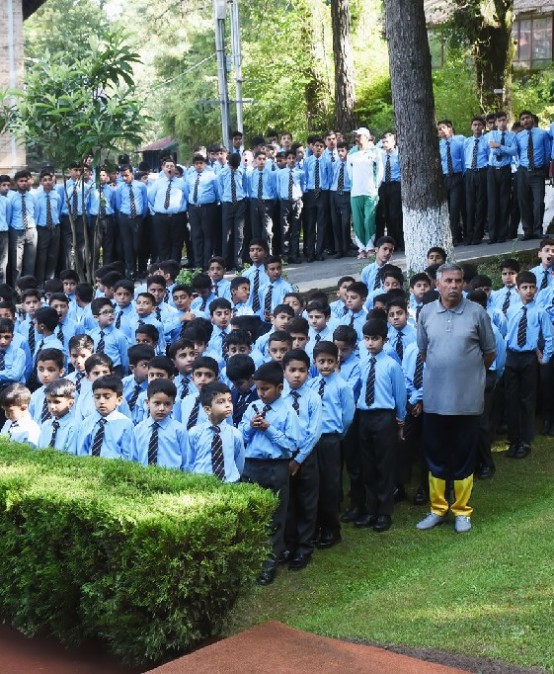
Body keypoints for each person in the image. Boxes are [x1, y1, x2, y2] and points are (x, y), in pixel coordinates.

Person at [416, 263, 496, 533]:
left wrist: (468, 375)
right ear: (437, 284)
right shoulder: (426, 312)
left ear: (464, 283)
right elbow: (424, 352)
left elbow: (489, 353)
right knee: (435, 457)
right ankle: (437, 509)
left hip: (467, 402)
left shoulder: (477, 313)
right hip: (435, 402)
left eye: (458, 281)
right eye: (448, 281)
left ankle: (462, 511)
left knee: (464, 457)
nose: (453, 286)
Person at [239, 361, 300, 586]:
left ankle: (268, 566)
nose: (260, 393)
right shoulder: (252, 407)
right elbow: (240, 436)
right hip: (251, 465)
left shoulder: (287, 412)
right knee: (251, 516)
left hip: (276, 467)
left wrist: (269, 429)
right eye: (258, 388)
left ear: (279, 388)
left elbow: (292, 444)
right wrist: (250, 426)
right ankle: (250, 562)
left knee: (274, 518)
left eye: (265, 389)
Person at [355, 318, 406, 532]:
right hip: (364, 416)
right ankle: (370, 509)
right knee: (367, 465)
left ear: (384, 340)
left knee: (384, 464)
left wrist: (400, 420)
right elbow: (356, 390)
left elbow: (400, 394)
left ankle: (384, 512)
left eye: (375, 339)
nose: (370, 343)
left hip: (384, 416)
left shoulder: (391, 365)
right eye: (366, 339)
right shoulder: (361, 364)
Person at [309, 341, 355, 548]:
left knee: (330, 485)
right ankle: (316, 527)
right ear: (315, 362)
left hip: (330, 439)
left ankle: (331, 530)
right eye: (322, 361)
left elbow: (348, 416)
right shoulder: (311, 385)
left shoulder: (342, 386)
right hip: (313, 440)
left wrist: (337, 434)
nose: (326, 365)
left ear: (337, 361)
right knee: (314, 484)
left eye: (330, 361)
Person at [504, 271, 552, 459]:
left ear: (536, 289)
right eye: (525, 287)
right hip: (512, 357)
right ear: (518, 290)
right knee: (511, 400)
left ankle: (525, 441)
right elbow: (506, 333)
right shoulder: (511, 310)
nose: (529, 291)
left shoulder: (540, 312)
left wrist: (545, 358)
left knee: (527, 401)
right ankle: (513, 440)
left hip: (529, 358)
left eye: (532, 287)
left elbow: (549, 337)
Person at [282, 349, 322, 570]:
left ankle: (304, 548)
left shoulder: (313, 397)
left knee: (307, 502)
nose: (297, 375)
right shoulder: (279, 397)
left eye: (302, 370)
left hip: (306, 456)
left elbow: (314, 433)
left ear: (308, 372)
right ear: (284, 371)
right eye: (292, 370)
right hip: (284, 455)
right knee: (288, 502)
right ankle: (289, 545)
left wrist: (298, 459)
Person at [185, 382, 245, 481]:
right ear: (208, 409)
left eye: (229, 400)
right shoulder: (195, 433)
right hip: (201, 483)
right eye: (221, 402)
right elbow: (189, 462)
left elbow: (239, 464)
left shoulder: (235, 434)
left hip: (228, 485)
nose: (228, 405)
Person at [132, 379, 187, 468]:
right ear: (147, 403)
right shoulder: (138, 430)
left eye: (167, 404)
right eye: (157, 403)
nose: (162, 408)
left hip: (172, 476)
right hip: (143, 475)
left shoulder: (179, 430)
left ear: (173, 404)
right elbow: (133, 460)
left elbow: (186, 461)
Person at [76, 374, 133, 459]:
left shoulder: (126, 424)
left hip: (114, 466)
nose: (101, 401)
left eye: (107, 397)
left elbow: (128, 455)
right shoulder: (86, 423)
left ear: (119, 400)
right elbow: (81, 451)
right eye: (97, 397)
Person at [347, 127, 383, 258]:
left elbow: (380, 170)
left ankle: (370, 247)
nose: (357, 138)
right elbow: (350, 173)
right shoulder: (352, 153)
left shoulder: (375, 151)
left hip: (370, 192)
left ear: (367, 137)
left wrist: (376, 186)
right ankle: (361, 249)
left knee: (369, 220)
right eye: (356, 136)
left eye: (360, 136)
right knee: (358, 222)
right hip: (356, 193)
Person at [516, 110, 551, 240]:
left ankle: (538, 230)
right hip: (523, 171)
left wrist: (544, 168)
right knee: (524, 202)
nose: (525, 120)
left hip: (538, 171)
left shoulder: (542, 134)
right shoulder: (518, 136)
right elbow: (517, 153)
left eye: (527, 118)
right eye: (522, 119)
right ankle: (527, 231)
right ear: (521, 122)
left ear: (532, 119)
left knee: (539, 203)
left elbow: (547, 152)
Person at [486, 111, 517, 244]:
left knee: (504, 202)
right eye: (500, 121)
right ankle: (492, 235)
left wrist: (499, 145)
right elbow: (493, 150)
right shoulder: (491, 134)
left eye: (504, 120)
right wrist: (505, 148)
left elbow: (514, 151)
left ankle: (502, 235)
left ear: (507, 121)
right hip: (492, 169)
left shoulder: (512, 135)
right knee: (493, 203)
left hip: (505, 169)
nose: (502, 123)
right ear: (496, 122)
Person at [185, 154, 219, 270]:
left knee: (208, 235)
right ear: (193, 165)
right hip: (194, 208)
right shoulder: (189, 177)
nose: (199, 165)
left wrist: (213, 204)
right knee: (196, 235)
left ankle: (206, 263)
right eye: (196, 163)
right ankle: (198, 264)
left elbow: (217, 191)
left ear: (205, 164)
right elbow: (187, 192)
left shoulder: (211, 176)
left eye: (201, 163)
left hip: (208, 207)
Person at [114, 164, 148, 280]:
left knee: (137, 246)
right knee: (127, 246)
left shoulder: (141, 186)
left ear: (132, 173)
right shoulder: (120, 188)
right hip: (125, 218)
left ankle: (141, 268)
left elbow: (145, 203)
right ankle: (131, 271)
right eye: (122, 176)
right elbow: (118, 205)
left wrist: (140, 216)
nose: (124, 178)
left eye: (126, 175)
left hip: (138, 218)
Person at [437, 120, 465, 245]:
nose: (441, 131)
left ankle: (455, 236)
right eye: (439, 129)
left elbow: (464, 159)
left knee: (455, 208)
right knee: (447, 209)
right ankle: (454, 234)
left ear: (450, 128)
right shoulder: (438, 146)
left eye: (443, 128)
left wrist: (464, 176)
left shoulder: (459, 142)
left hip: (457, 177)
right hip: (444, 179)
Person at [8, 170, 37, 287]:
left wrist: (32, 226)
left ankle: (29, 289)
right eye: (21, 181)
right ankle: (17, 289)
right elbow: (9, 216)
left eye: (25, 181)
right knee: (17, 264)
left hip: (31, 231)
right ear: (16, 183)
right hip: (17, 231)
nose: (24, 183)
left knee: (30, 263)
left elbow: (36, 213)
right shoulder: (12, 198)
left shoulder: (32, 197)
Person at [463, 116, 489, 245]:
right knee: (469, 205)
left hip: (482, 172)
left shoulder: (486, 141)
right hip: (469, 173)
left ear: (483, 127)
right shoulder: (467, 141)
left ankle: (478, 235)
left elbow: (490, 157)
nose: (477, 127)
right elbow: (463, 157)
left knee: (480, 205)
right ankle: (468, 235)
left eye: (479, 124)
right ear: (471, 127)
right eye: (474, 124)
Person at [34, 169, 62, 287]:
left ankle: (49, 282)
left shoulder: (56, 196)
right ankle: (40, 283)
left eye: (49, 180)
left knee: (53, 256)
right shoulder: (37, 197)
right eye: (45, 180)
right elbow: (35, 214)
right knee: (42, 257)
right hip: (42, 229)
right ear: (41, 182)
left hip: (55, 228)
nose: (48, 182)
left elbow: (58, 211)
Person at [376, 132, 403, 248]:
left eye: (387, 141)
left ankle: (401, 241)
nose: (385, 144)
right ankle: (392, 242)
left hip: (395, 185)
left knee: (395, 215)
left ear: (394, 142)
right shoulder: (381, 155)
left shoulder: (399, 154)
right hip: (384, 186)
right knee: (386, 215)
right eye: (383, 142)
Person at [37, 378, 77, 453]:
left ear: (70, 403)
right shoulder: (46, 425)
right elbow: (39, 450)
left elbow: (71, 455)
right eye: (49, 401)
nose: (52, 406)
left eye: (57, 402)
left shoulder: (73, 427)